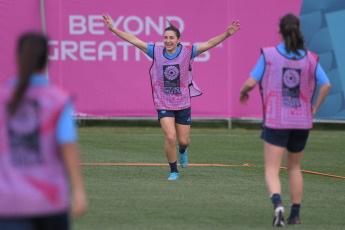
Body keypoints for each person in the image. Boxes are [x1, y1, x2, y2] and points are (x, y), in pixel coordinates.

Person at [102, 13, 240, 180]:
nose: (168, 41)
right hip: (163, 103)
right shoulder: (156, 52)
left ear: (178, 40)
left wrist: (226, 34)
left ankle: (182, 151)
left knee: (183, 141)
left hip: (183, 103)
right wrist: (113, 29)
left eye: (171, 38)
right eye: (165, 37)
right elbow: (134, 40)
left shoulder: (188, 52)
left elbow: (209, 44)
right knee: (170, 136)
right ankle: (173, 170)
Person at [239, 13, 330, 227]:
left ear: (279, 30)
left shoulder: (269, 54)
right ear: (299, 29)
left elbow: (251, 83)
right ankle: (295, 215)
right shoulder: (310, 58)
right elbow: (326, 85)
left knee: (272, 168)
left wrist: (243, 92)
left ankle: (278, 204)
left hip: (276, 120)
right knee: (294, 168)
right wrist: (314, 108)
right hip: (302, 121)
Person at [0, 32, 87, 230]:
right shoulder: (58, 99)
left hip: (8, 203)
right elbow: (67, 145)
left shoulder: (2, 97)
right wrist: (79, 191)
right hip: (51, 201)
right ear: (48, 60)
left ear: (17, 58)